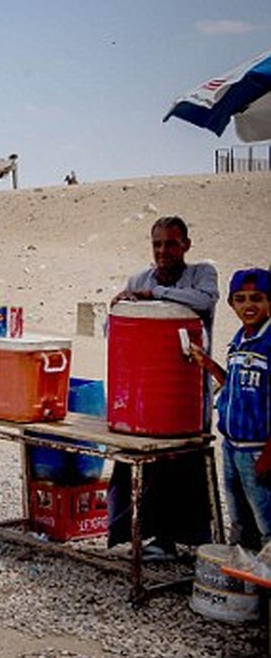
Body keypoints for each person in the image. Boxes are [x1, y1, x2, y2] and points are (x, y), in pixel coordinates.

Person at [107, 215, 219, 559]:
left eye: (171, 243)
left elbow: (204, 302)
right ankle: (149, 537)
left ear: (186, 244)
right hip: (144, 397)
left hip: (185, 394)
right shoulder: (138, 278)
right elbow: (117, 331)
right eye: (157, 244)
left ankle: (184, 540)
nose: (163, 251)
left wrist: (154, 294)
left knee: (181, 467)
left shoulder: (202, 274)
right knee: (141, 466)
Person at [190, 268, 271, 550]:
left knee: (266, 521)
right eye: (241, 299)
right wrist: (210, 365)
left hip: (258, 448)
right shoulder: (239, 339)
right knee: (238, 517)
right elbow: (235, 384)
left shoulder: (268, 343)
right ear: (231, 303)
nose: (248, 305)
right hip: (232, 446)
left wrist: (267, 456)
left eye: (257, 298)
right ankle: (246, 583)